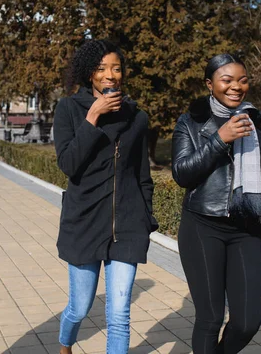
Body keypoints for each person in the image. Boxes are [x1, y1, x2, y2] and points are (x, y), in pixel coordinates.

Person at [53, 39, 158, 354]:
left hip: (127, 227)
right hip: (84, 224)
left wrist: (146, 217)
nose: (110, 75)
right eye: (101, 69)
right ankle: (65, 343)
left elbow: (142, 174)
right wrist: (93, 118)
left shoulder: (136, 117)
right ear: (89, 74)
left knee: (119, 315)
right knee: (80, 307)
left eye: (116, 68)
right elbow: (68, 165)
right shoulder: (69, 109)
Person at [171, 54, 261, 353]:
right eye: (227, 80)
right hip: (202, 227)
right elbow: (182, 173)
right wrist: (220, 139)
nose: (236, 87)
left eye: (242, 80)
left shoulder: (256, 121)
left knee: (248, 321)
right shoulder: (190, 122)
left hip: (247, 229)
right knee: (210, 318)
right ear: (210, 84)